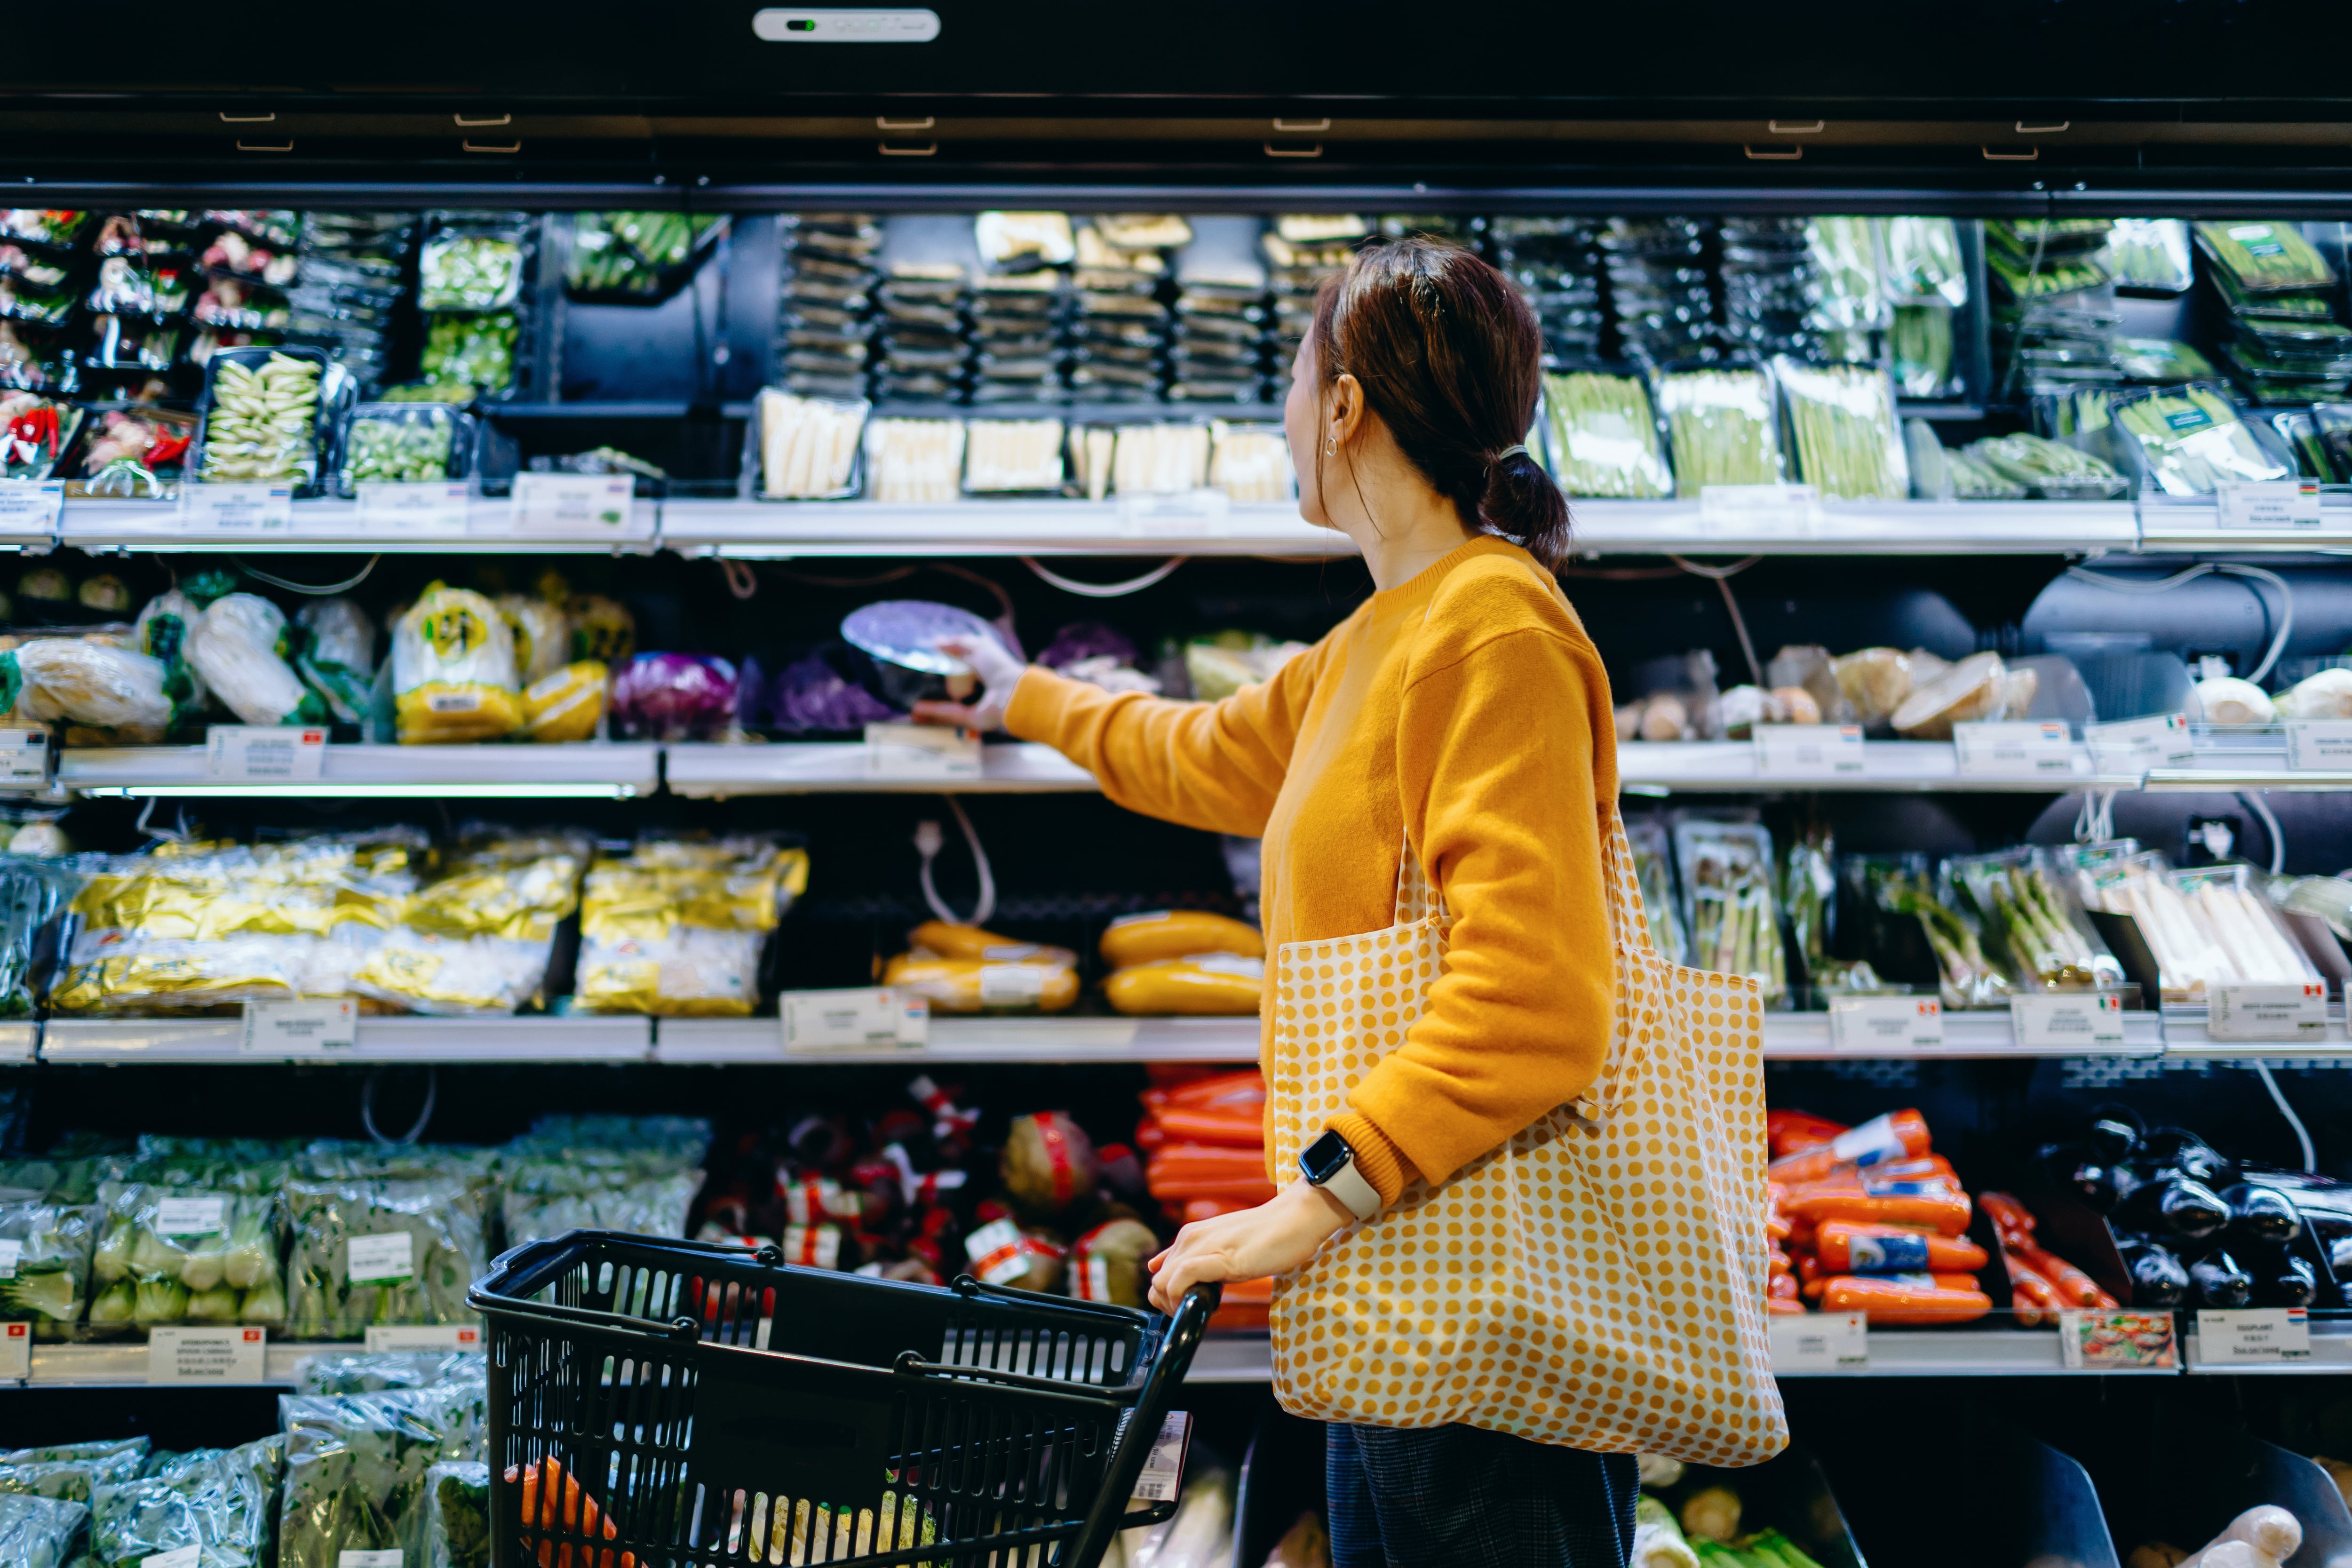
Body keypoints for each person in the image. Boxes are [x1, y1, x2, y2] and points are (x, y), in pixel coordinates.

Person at [920, 236, 1634, 1568]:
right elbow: (1195, 753)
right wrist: (1015, 691)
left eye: (1296, 379)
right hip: (1399, 1292)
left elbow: (1538, 1001)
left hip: (1485, 1315)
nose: (1285, 415)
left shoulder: (1497, 630)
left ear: (1349, 403)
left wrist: (1312, 1197)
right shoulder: (1379, 639)